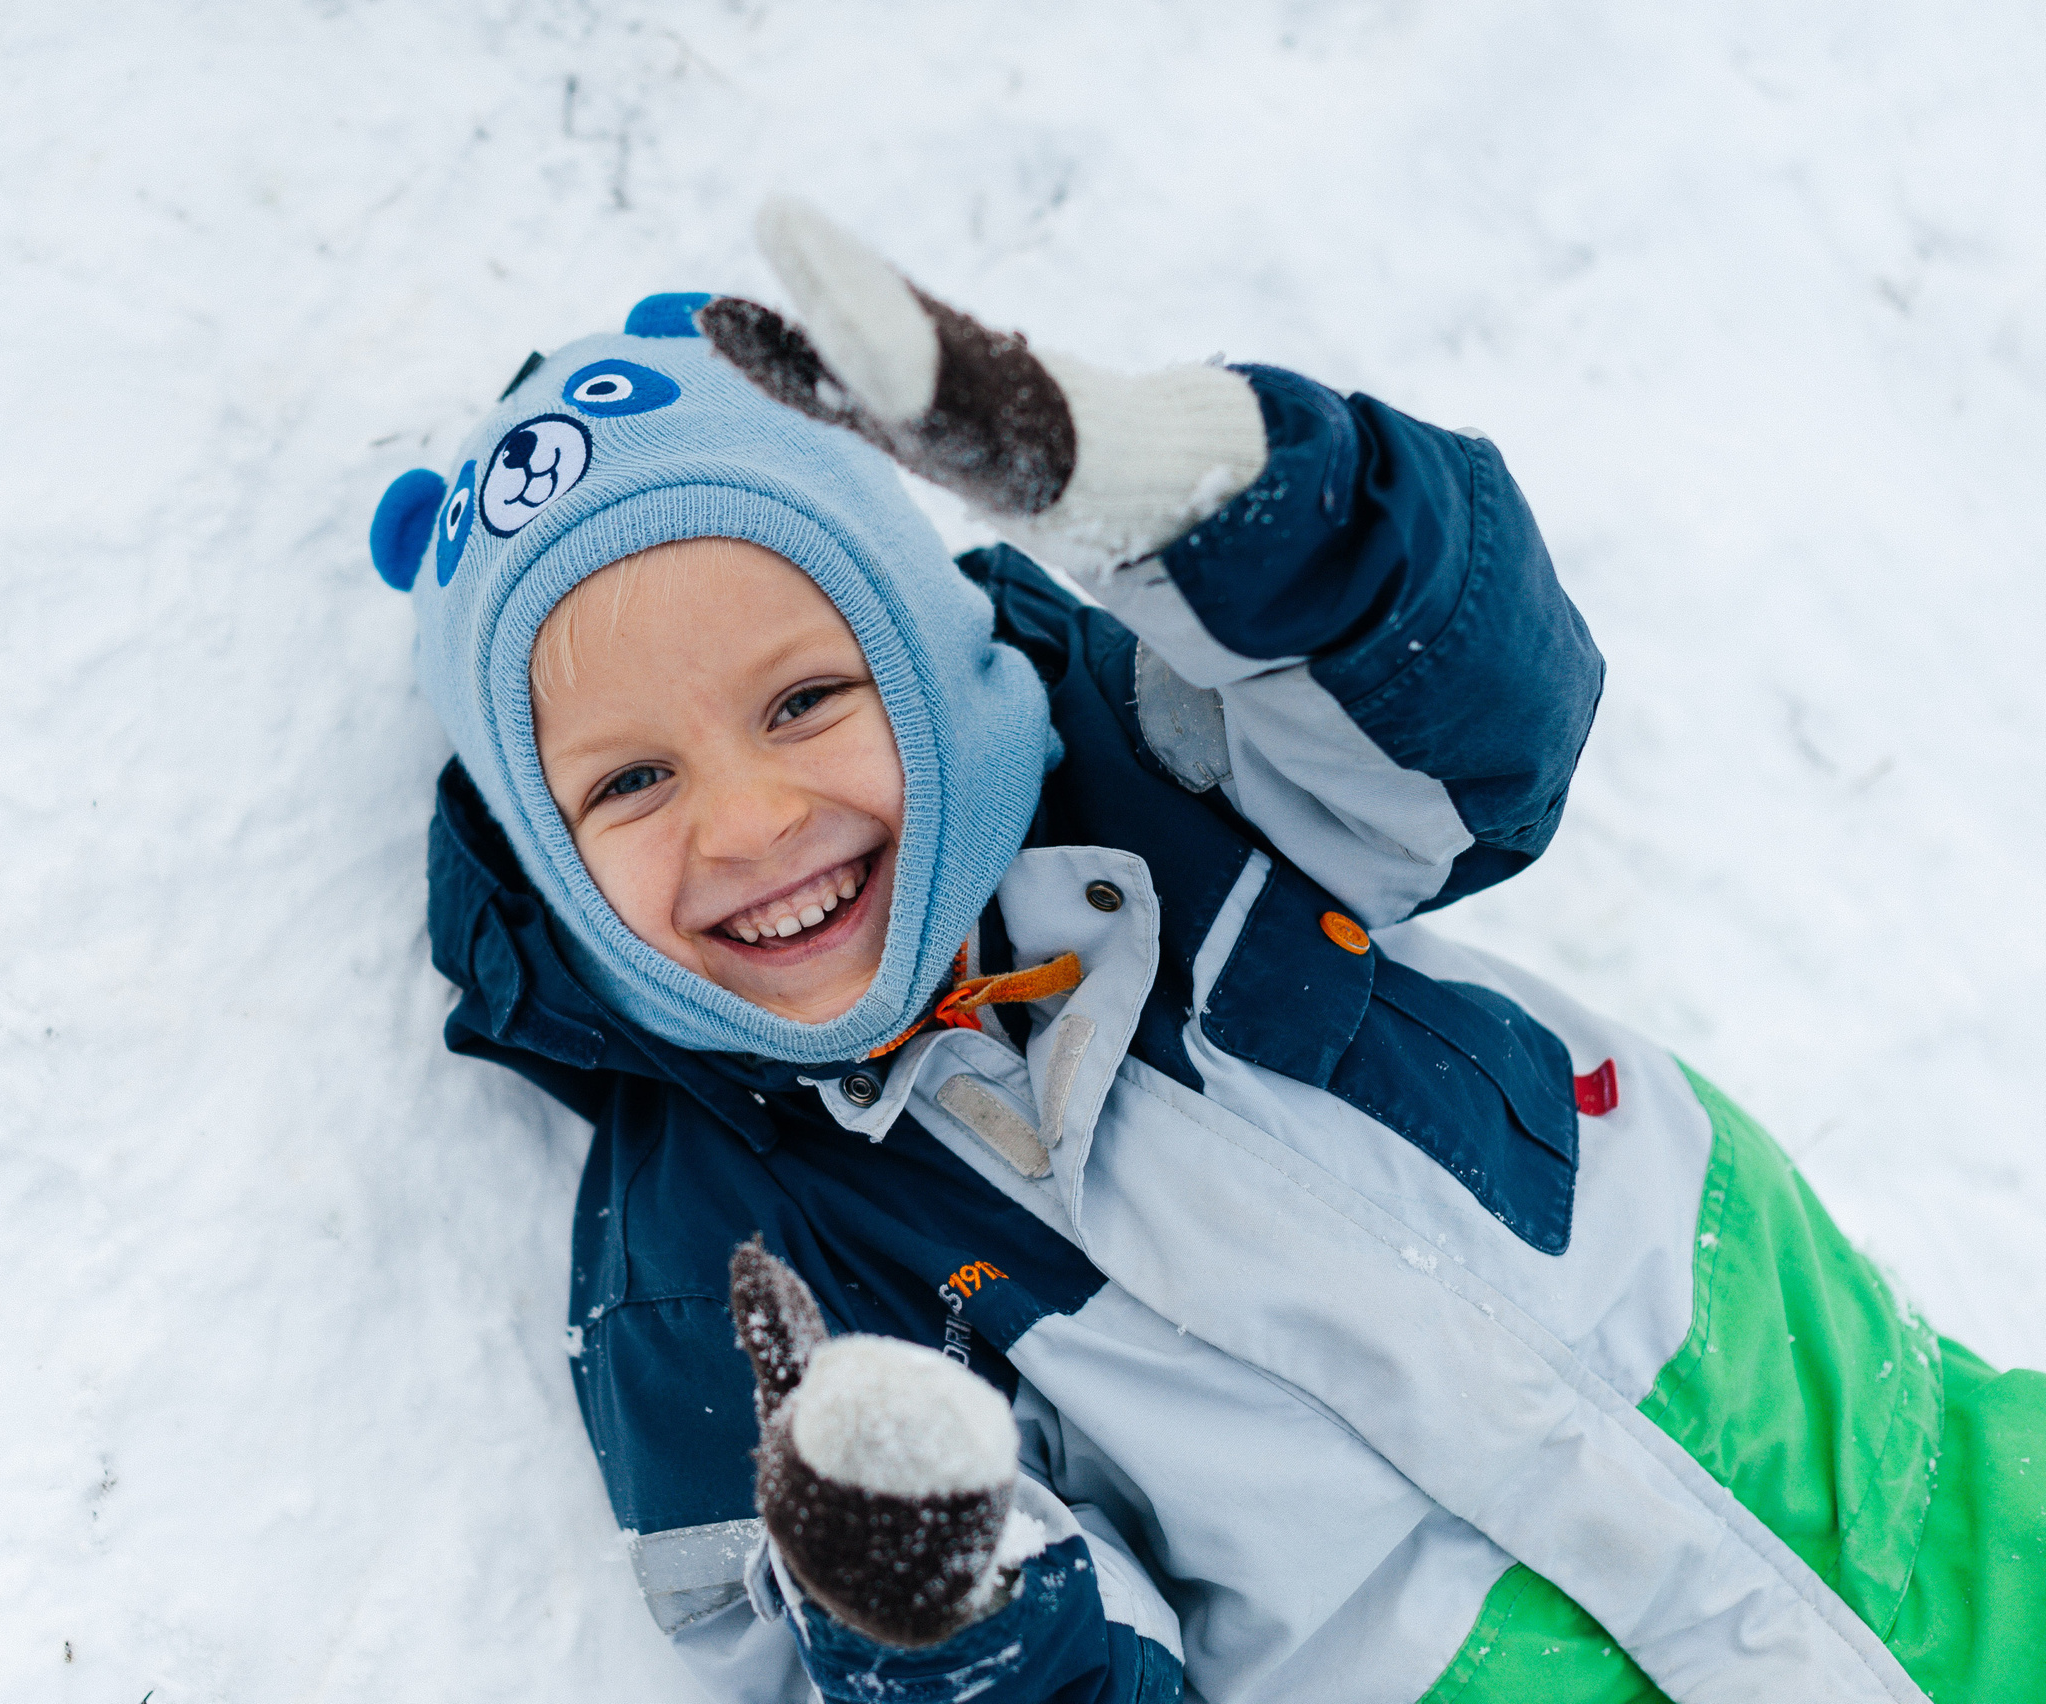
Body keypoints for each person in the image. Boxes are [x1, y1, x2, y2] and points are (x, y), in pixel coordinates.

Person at [367, 200, 2045, 1703]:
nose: (742, 823)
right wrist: (943, 1611)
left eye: (807, 699)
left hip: (1889, 1468)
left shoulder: (1166, 773)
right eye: (632, 781)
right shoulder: (721, 1261)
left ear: (931, 656)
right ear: (548, 853)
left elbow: (1484, 720)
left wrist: (1197, 488)